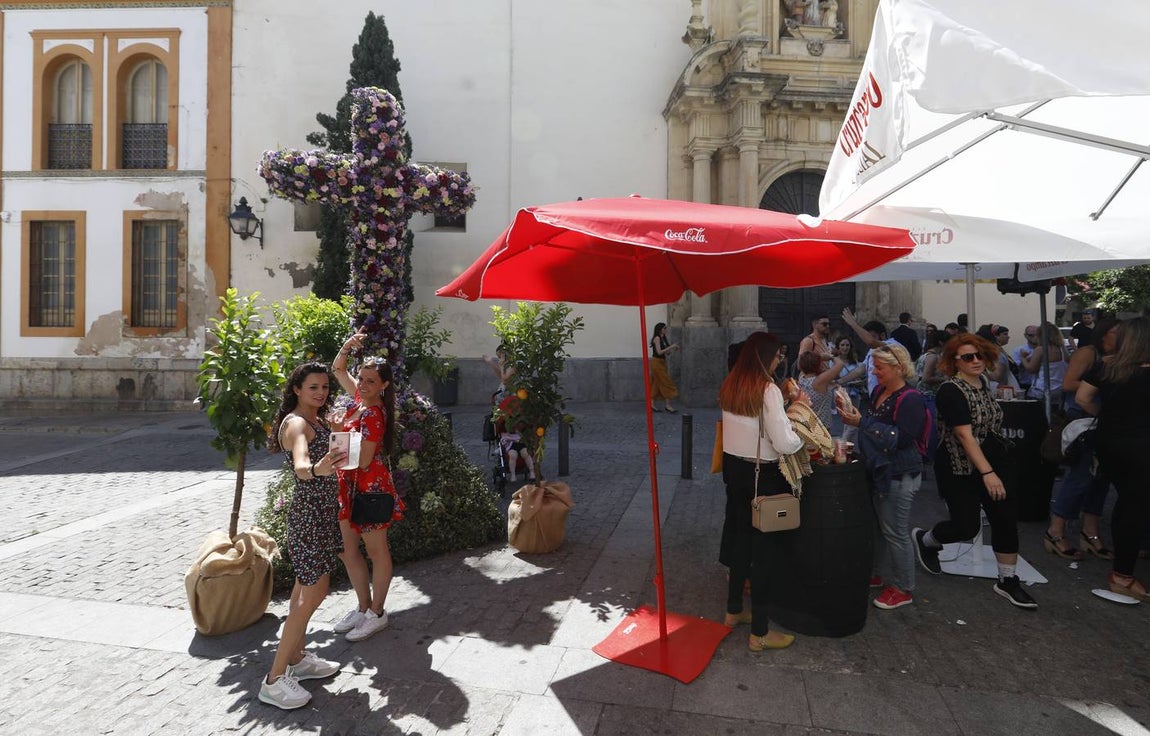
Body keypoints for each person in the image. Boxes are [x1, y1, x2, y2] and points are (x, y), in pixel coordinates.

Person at [911, 334, 1038, 610]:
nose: (976, 361)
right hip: (959, 466)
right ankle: (927, 539)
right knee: (966, 525)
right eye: (968, 357)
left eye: (979, 355)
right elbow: (964, 436)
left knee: (1005, 517)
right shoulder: (950, 391)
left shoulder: (983, 383)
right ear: (954, 362)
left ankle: (1007, 580)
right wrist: (988, 473)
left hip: (992, 458)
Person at [259, 362, 348, 710]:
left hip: (323, 514)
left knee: (310, 590)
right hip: (309, 518)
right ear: (297, 389)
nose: (321, 393)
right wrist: (314, 469)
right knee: (308, 597)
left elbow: (337, 455)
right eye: (313, 387)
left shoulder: (317, 419)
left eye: (325, 387)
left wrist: (339, 431)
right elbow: (300, 463)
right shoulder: (297, 423)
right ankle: (274, 679)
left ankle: (296, 658)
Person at [718, 332, 804, 651]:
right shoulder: (766, 389)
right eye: (777, 355)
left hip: (735, 472)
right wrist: (800, 436)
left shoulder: (731, 384)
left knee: (740, 543)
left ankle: (733, 611)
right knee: (764, 556)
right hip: (762, 476)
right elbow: (783, 442)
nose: (779, 360)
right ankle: (760, 632)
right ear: (764, 357)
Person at [838, 343, 925, 610]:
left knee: (895, 531)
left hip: (898, 473)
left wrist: (861, 423)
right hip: (880, 470)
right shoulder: (879, 390)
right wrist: (856, 417)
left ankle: (903, 587)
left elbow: (899, 438)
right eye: (874, 366)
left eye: (880, 367)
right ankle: (875, 574)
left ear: (898, 367)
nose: (875, 372)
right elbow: (873, 423)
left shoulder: (910, 398)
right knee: (877, 527)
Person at [331, 329, 405, 642]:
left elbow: (362, 461)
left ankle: (377, 611)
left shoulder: (374, 413)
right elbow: (337, 370)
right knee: (349, 552)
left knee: (376, 552)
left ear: (384, 385)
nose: (361, 385)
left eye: (370, 381)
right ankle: (362, 607)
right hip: (349, 485)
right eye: (361, 379)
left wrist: (339, 430)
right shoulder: (361, 401)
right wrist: (347, 346)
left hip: (370, 487)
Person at [1076, 317, 1150, 602]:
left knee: (1126, 503)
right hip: (1142, 448)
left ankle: (1124, 565)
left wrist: (1108, 418)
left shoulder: (1107, 366)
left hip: (1109, 444)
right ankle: (1122, 575)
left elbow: (1082, 397)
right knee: (1135, 507)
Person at [1046, 318, 1120, 560]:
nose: (1121, 337)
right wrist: (1100, 380)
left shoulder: (1119, 355)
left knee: (1101, 479)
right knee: (1079, 477)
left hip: (1105, 423)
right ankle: (1055, 532)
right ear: (1103, 333)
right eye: (1116, 332)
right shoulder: (1089, 353)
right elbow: (1068, 384)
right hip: (1084, 421)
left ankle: (1091, 533)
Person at [796, 350, 844, 432]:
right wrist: (830, 357)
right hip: (821, 427)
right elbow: (840, 364)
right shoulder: (819, 381)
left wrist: (818, 358)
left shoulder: (801, 378)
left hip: (806, 424)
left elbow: (806, 362)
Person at [1022, 321, 1069, 404]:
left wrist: (1023, 358)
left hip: (1043, 389)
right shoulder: (1062, 349)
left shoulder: (1041, 349)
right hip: (1059, 388)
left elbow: (1031, 369)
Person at [649, 322, 680, 413]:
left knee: (656, 383)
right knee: (666, 382)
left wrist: (671, 349)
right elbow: (659, 352)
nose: (666, 329)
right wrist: (671, 346)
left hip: (662, 362)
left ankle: (651, 403)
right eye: (664, 328)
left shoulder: (663, 338)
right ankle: (668, 405)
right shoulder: (657, 338)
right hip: (656, 362)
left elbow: (666, 352)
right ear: (660, 329)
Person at [497, 415, 536, 484]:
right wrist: (505, 440)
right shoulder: (505, 433)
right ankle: (513, 474)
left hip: (522, 444)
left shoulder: (522, 431)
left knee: (525, 453)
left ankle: (532, 471)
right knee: (512, 455)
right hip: (511, 446)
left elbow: (526, 436)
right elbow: (503, 440)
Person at [916, 327, 947, 396]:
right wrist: (944, 379)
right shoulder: (932, 357)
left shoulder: (932, 354)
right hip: (928, 394)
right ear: (941, 343)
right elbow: (926, 378)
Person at [1013, 325, 1041, 395]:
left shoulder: (1044, 350)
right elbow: (1015, 368)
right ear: (1025, 335)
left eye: (1037, 335)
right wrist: (1026, 360)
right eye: (1031, 335)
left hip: (1040, 385)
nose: (1034, 337)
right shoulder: (1019, 350)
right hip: (1025, 383)